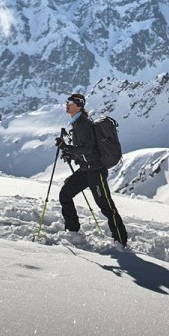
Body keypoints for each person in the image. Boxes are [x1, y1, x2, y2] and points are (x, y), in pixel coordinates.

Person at [56, 93, 128, 247]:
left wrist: (68, 148)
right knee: (65, 194)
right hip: (85, 170)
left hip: (95, 171)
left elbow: (88, 149)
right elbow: (86, 150)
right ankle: (73, 231)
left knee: (106, 206)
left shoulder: (82, 123)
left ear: (79, 105)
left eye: (70, 102)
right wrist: (71, 155)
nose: (67, 105)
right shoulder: (76, 123)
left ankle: (121, 240)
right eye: (67, 102)